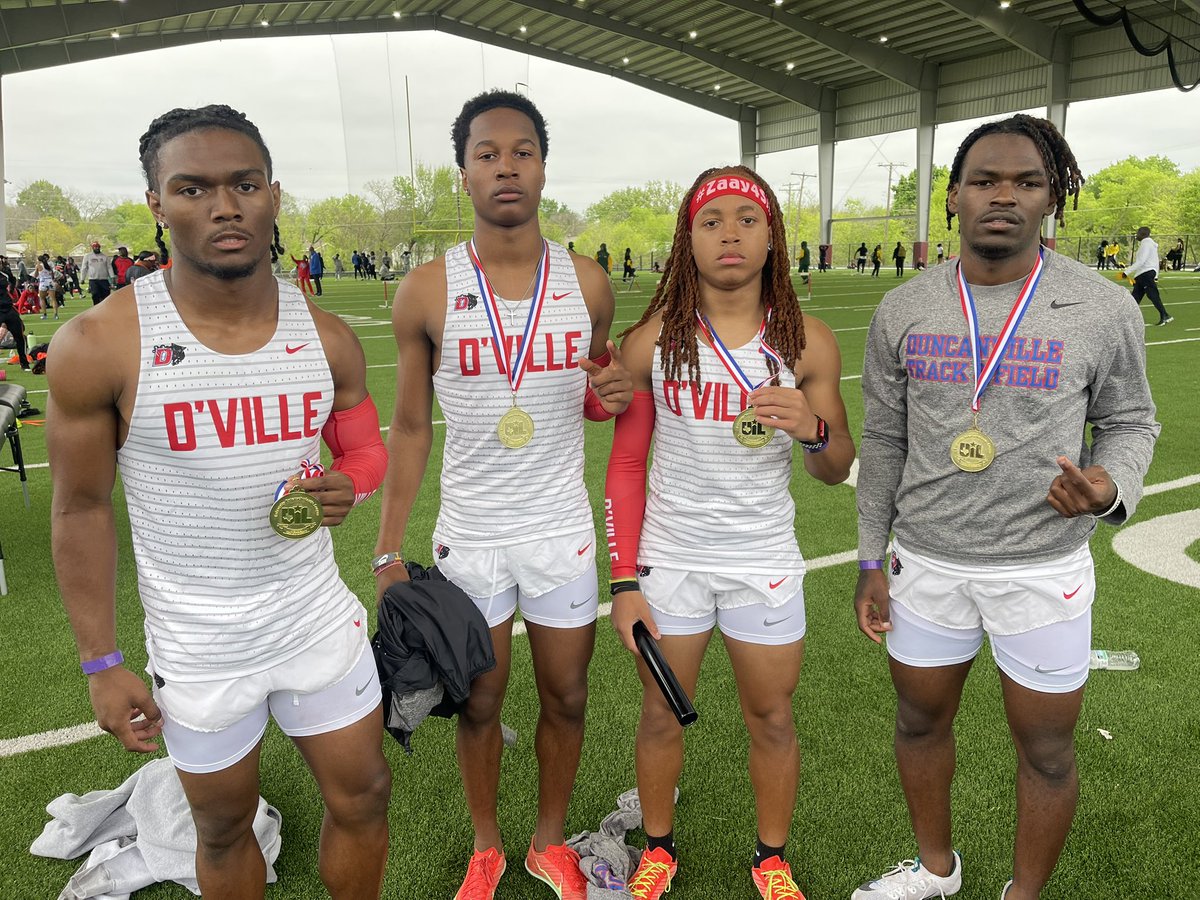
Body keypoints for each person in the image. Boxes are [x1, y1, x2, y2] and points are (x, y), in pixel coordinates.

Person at [46, 104, 392, 900]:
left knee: (365, 795)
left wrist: (355, 482)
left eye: (243, 184)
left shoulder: (328, 335)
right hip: (199, 644)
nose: (224, 205)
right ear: (156, 205)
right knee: (222, 828)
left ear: (274, 195)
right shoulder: (101, 343)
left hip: (313, 619)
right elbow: (79, 509)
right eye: (193, 188)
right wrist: (101, 661)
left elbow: (367, 448)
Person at [852, 114, 1160, 900]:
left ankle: (1022, 895)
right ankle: (934, 869)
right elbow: (883, 439)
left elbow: (1130, 420)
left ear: (1053, 196)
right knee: (919, 723)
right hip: (924, 561)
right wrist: (867, 557)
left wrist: (1109, 486)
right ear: (953, 195)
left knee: (1049, 751)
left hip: (1041, 565)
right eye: (985, 180)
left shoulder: (1103, 306)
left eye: (1027, 181)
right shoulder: (903, 307)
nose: (1004, 196)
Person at [374, 89, 632, 900]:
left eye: (522, 151)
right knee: (478, 701)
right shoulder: (424, 289)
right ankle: (487, 845)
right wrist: (387, 547)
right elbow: (410, 427)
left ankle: (547, 841)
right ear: (464, 174)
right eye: (487, 154)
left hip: (561, 530)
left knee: (567, 694)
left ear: (544, 167)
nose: (506, 166)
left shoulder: (587, 282)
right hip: (472, 536)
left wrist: (609, 395)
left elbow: (594, 394)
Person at [605, 166, 854, 900]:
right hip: (671, 562)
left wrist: (813, 431)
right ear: (689, 239)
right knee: (659, 713)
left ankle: (770, 860)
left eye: (748, 219)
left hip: (764, 560)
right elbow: (624, 464)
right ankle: (658, 849)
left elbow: (834, 468)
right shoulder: (655, 341)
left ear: (773, 236)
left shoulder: (807, 343)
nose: (730, 234)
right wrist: (623, 583)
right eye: (712, 222)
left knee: (772, 717)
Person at [1123, 226, 1172, 326]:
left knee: (1152, 295)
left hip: (1145, 274)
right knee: (1135, 298)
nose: (1136, 234)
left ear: (1143, 234)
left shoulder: (1146, 244)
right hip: (1143, 275)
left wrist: (1126, 272)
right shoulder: (1149, 244)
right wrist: (1156, 275)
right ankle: (1127, 320)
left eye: (1137, 232)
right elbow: (1155, 262)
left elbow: (1141, 261)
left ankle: (1165, 315)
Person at [0, 265, 30, 370]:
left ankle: (24, 363)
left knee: (19, 337)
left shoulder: (4, 275)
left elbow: (12, 285)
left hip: (8, 309)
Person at [80, 240, 116, 305]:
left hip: (104, 279)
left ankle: (105, 308)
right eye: (95, 247)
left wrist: (112, 276)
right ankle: (96, 308)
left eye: (98, 247)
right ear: (92, 248)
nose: (97, 248)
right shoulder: (88, 256)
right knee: (95, 295)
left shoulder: (104, 257)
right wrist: (82, 278)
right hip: (93, 279)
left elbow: (109, 267)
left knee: (106, 295)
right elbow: (84, 268)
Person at [36, 253, 59, 319]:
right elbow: (52, 274)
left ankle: (45, 314)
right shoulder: (49, 265)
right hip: (50, 281)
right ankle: (56, 314)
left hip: (43, 282)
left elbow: (35, 275)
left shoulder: (39, 266)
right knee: (53, 299)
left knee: (42, 298)